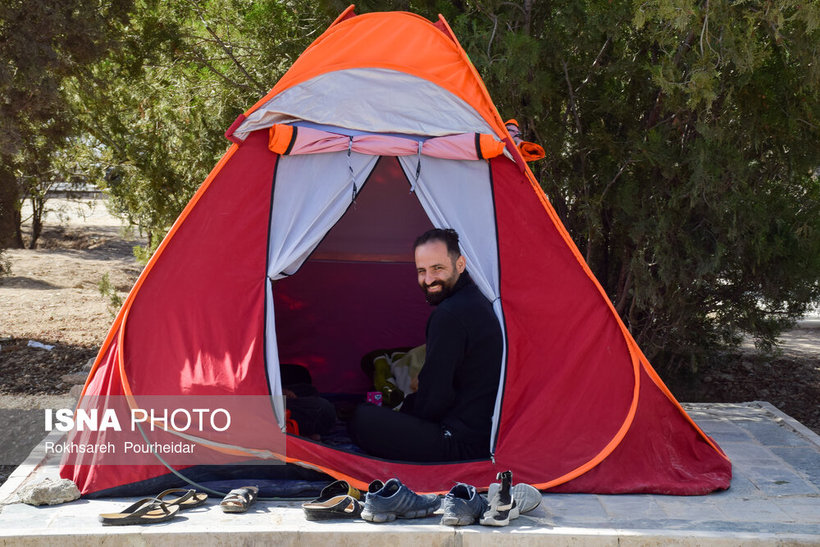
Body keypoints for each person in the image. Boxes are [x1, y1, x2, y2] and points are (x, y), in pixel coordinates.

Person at [349, 228, 502, 461]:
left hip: (460, 441)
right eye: (422, 271)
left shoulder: (450, 315)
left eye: (437, 268)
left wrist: (403, 413)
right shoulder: (477, 301)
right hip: (482, 431)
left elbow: (433, 399)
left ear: (460, 264)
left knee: (361, 417)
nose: (428, 280)